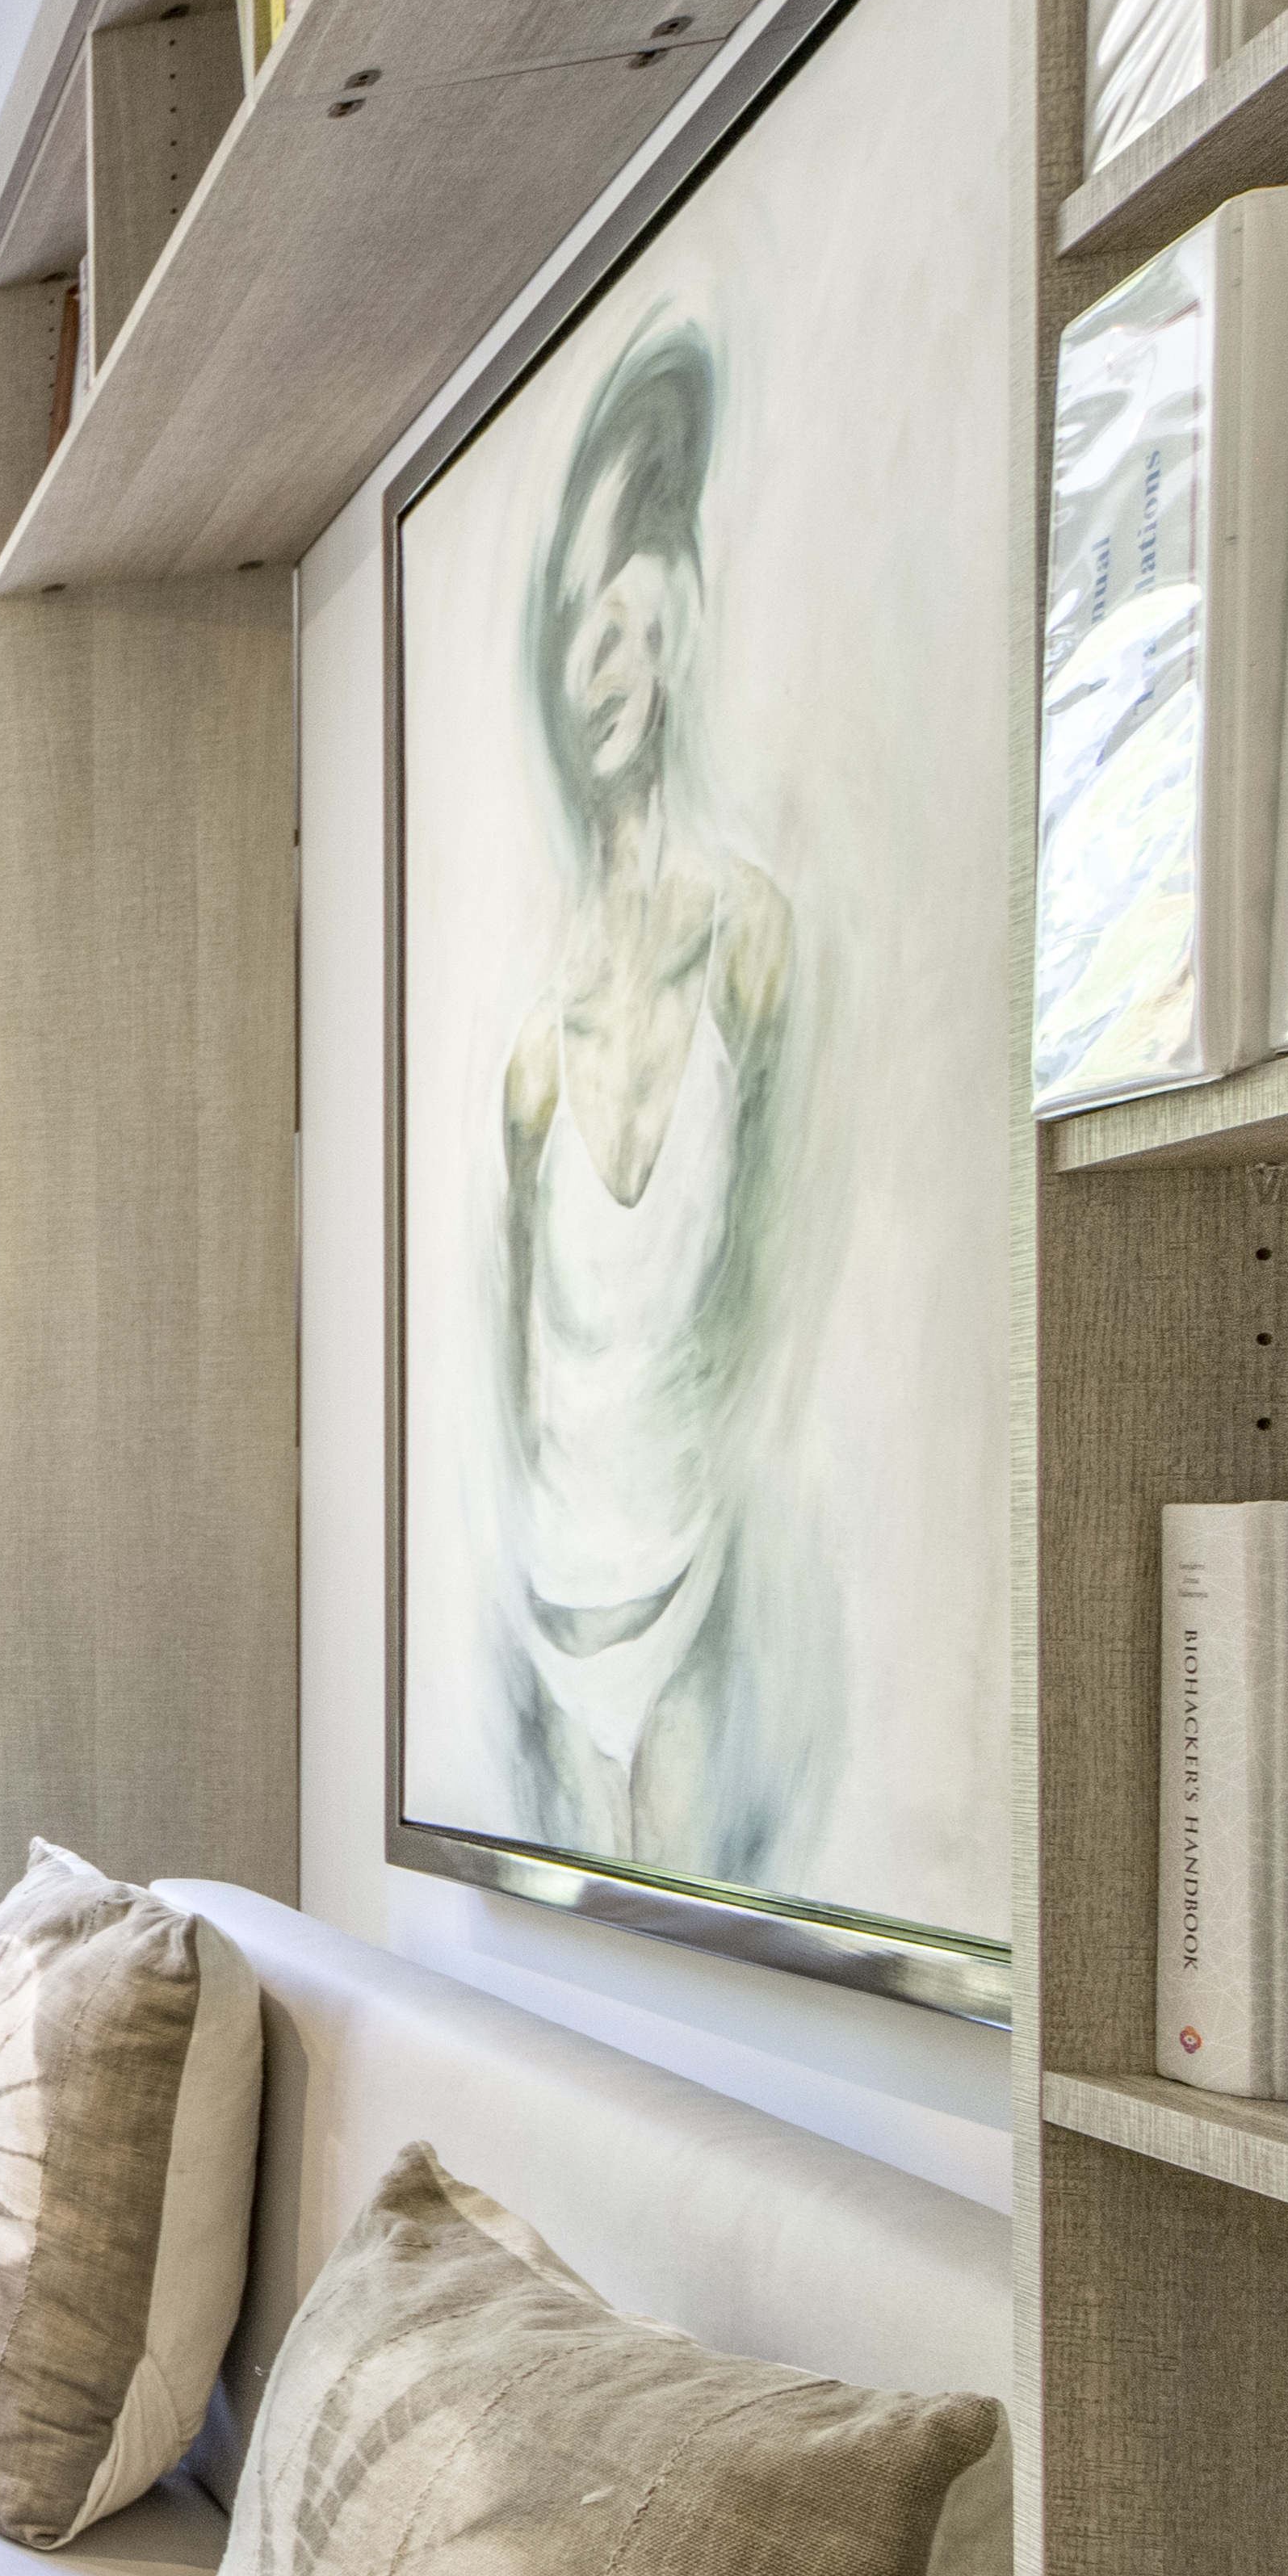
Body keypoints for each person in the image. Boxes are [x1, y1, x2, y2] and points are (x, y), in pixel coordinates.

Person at [489, 319, 808, 1877]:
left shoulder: (749, 945)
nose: (600, 672)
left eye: (624, 625)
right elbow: (514, 1363)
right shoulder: (531, 1053)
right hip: (551, 1612)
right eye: (576, 634)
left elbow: (762, 1278)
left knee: (693, 1926)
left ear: (677, 621)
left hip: (688, 1584)